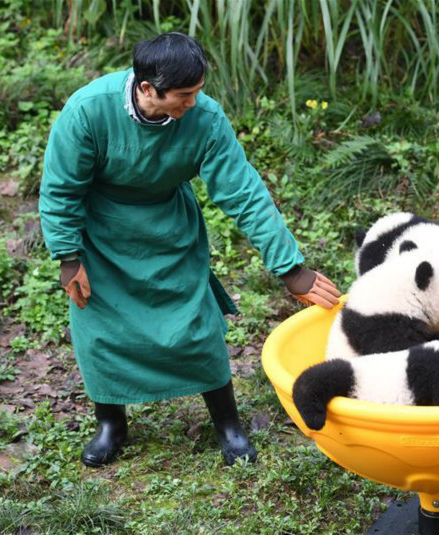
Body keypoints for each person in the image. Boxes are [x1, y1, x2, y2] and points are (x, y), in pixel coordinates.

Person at [38, 32, 341, 468]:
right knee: (101, 333)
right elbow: (61, 189)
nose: (194, 103)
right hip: (101, 236)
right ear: (147, 89)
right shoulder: (88, 110)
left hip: (170, 231)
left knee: (196, 328)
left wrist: (291, 270)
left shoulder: (205, 119)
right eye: (184, 95)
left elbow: (244, 192)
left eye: (198, 92)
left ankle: (228, 425)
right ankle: (111, 425)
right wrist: (69, 258)